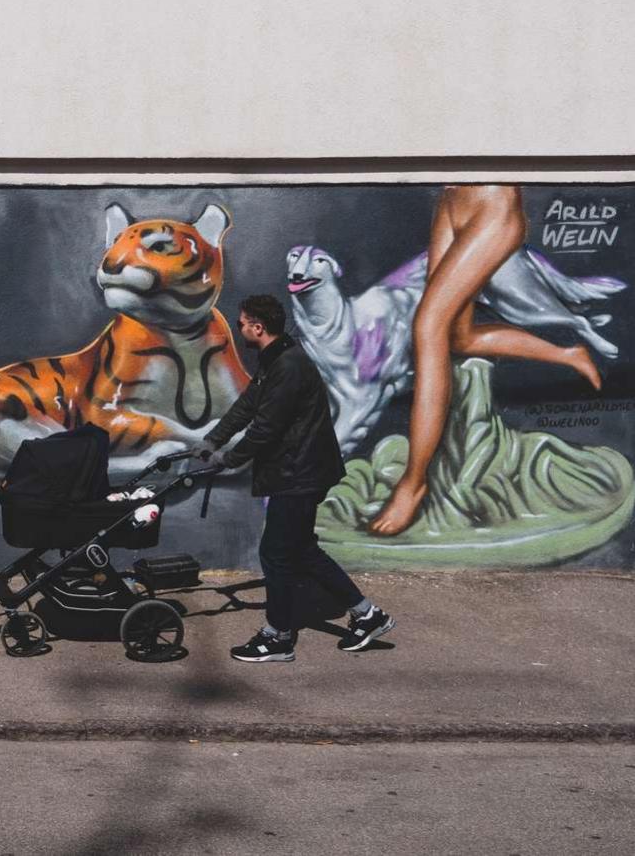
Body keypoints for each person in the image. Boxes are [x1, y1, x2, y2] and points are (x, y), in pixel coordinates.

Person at [368, 185, 602, 535]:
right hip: (452, 201)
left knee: (428, 327)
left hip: (492, 207)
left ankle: (413, 483)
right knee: (458, 337)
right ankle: (567, 353)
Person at [199, 294, 394, 661]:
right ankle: (368, 615)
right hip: (298, 470)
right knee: (301, 549)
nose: (238, 327)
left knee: (275, 554)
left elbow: (266, 429)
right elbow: (249, 405)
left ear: (258, 327)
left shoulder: (289, 366)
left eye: (242, 322)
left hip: (299, 474)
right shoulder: (276, 358)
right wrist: (214, 439)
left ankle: (278, 637)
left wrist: (228, 459)